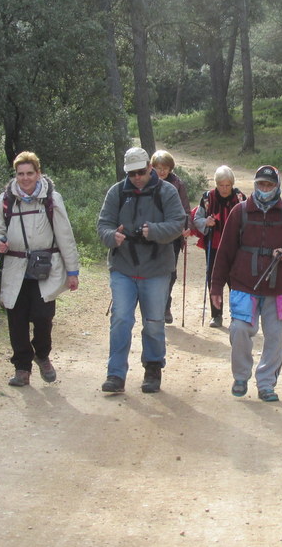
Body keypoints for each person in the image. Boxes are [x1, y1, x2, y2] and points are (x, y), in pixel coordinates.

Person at [209, 165, 282, 402]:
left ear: (277, 187)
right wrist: (216, 287)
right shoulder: (240, 211)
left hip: (280, 287)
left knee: (275, 339)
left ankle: (266, 384)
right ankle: (241, 376)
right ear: (255, 185)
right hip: (244, 284)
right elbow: (224, 252)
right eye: (261, 184)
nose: (265, 189)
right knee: (240, 330)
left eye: (269, 185)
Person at [97, 147, 186, 393]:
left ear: (149, 167)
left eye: (141, 171)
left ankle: (153, 369)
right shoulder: (116, 192)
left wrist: (154, 231)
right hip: (123, 266)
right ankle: (115, 374)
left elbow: (178, 223)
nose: (137, 177)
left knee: (154, 322)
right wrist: (111, 236)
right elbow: (103, 224)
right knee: (121, 319)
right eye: (131, 173)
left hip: (157, 268)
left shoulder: (167, 191)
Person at [0, 151, 80, 387]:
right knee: (16, 319)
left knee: (43, 316)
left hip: (46, 269)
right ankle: (22, 368)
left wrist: (73, 271)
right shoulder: (5, 201)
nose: (25, 178)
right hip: (14, 267)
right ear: (15, 175)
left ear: (38, 173)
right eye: (20, 174)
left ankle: (42, 355)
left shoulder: (52, 199)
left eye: (30, 173)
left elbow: (65, 236)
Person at [191, 165, 246, 327]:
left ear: (232, 184)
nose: (224, 188)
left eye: (227, 185)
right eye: (221, 185)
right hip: (214, 246)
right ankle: (216, 315)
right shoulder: (208, 198)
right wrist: (206, 222)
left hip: (236, 248)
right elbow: (197, 219)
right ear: (216, 184)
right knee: (214, 279)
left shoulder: (240, 198)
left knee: (235, 280)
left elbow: (249, 220)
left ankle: (236, 314)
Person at [150, 150, 192, 324]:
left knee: (170, 272)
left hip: (173, 236)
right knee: (152, 271)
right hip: (151, 234)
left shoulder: (177, 183)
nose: (161, 172)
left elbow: (185, 208)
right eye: (158, 168)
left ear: (170, 168)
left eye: (165, 168)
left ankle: (165, 306)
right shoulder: (147, 182)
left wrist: (187, 226)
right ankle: (154, 307)